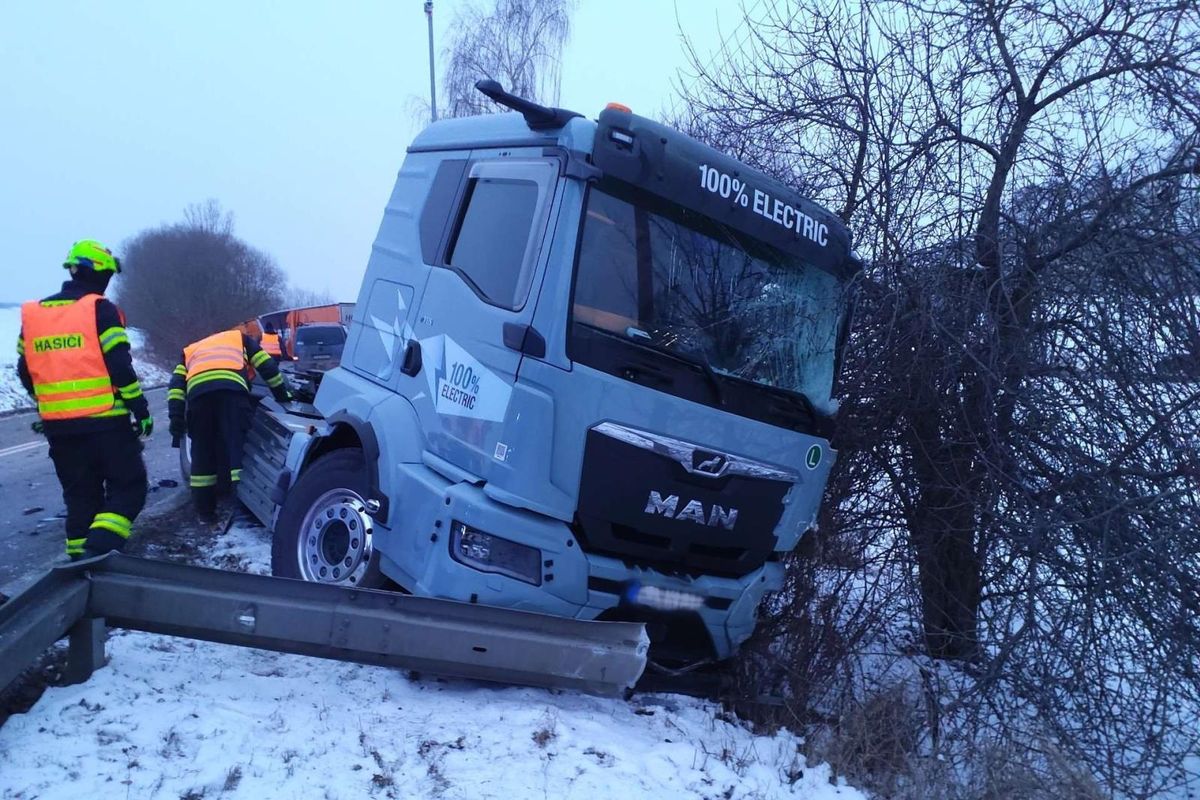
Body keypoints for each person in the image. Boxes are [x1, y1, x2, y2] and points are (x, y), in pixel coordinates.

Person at [15, 239, 153, 560]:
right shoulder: (99, 309)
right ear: (100, 274)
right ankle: (99, 551)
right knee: (128, 488)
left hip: (59, 429)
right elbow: (119, 365)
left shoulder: (35, 316)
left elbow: (26, 370)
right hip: (106, 423)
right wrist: (140, 409)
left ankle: (80, 569)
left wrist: (48, 405)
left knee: (80, 498)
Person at [167, 329, 290, 523]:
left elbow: (175, 386)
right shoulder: (239, 338)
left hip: (198, 398)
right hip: (232, 393)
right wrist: (283, 396)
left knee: (202, 455)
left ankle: (205, 513)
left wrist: (175, 416)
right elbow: (267, 366)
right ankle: (244, 509)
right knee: (239, 449)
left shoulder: (190, 350)